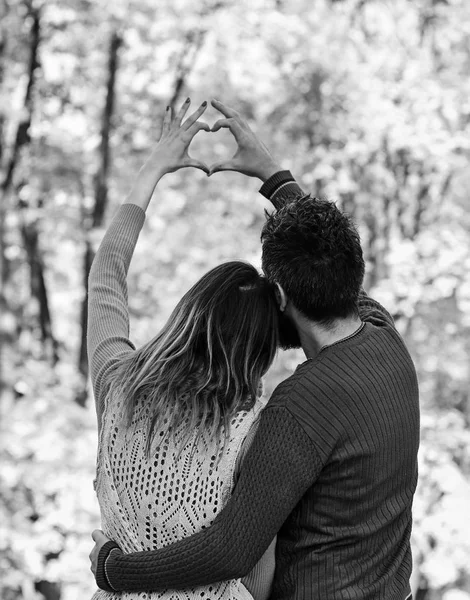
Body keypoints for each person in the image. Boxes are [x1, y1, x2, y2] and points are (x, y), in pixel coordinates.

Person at [89, 99, 420, 600]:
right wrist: (272, 174)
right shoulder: (385, 337)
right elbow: (323, 257)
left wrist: (115, 572)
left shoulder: (295, 408)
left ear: (282, 295)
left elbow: (232, 551)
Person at [87, 98, 281, 600]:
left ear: (188, 312)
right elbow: (258, 583)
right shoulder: (253, 430)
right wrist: (279, 181)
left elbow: (106, 275)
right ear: (259, 350)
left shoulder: (117, 386)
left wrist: (153, 169)